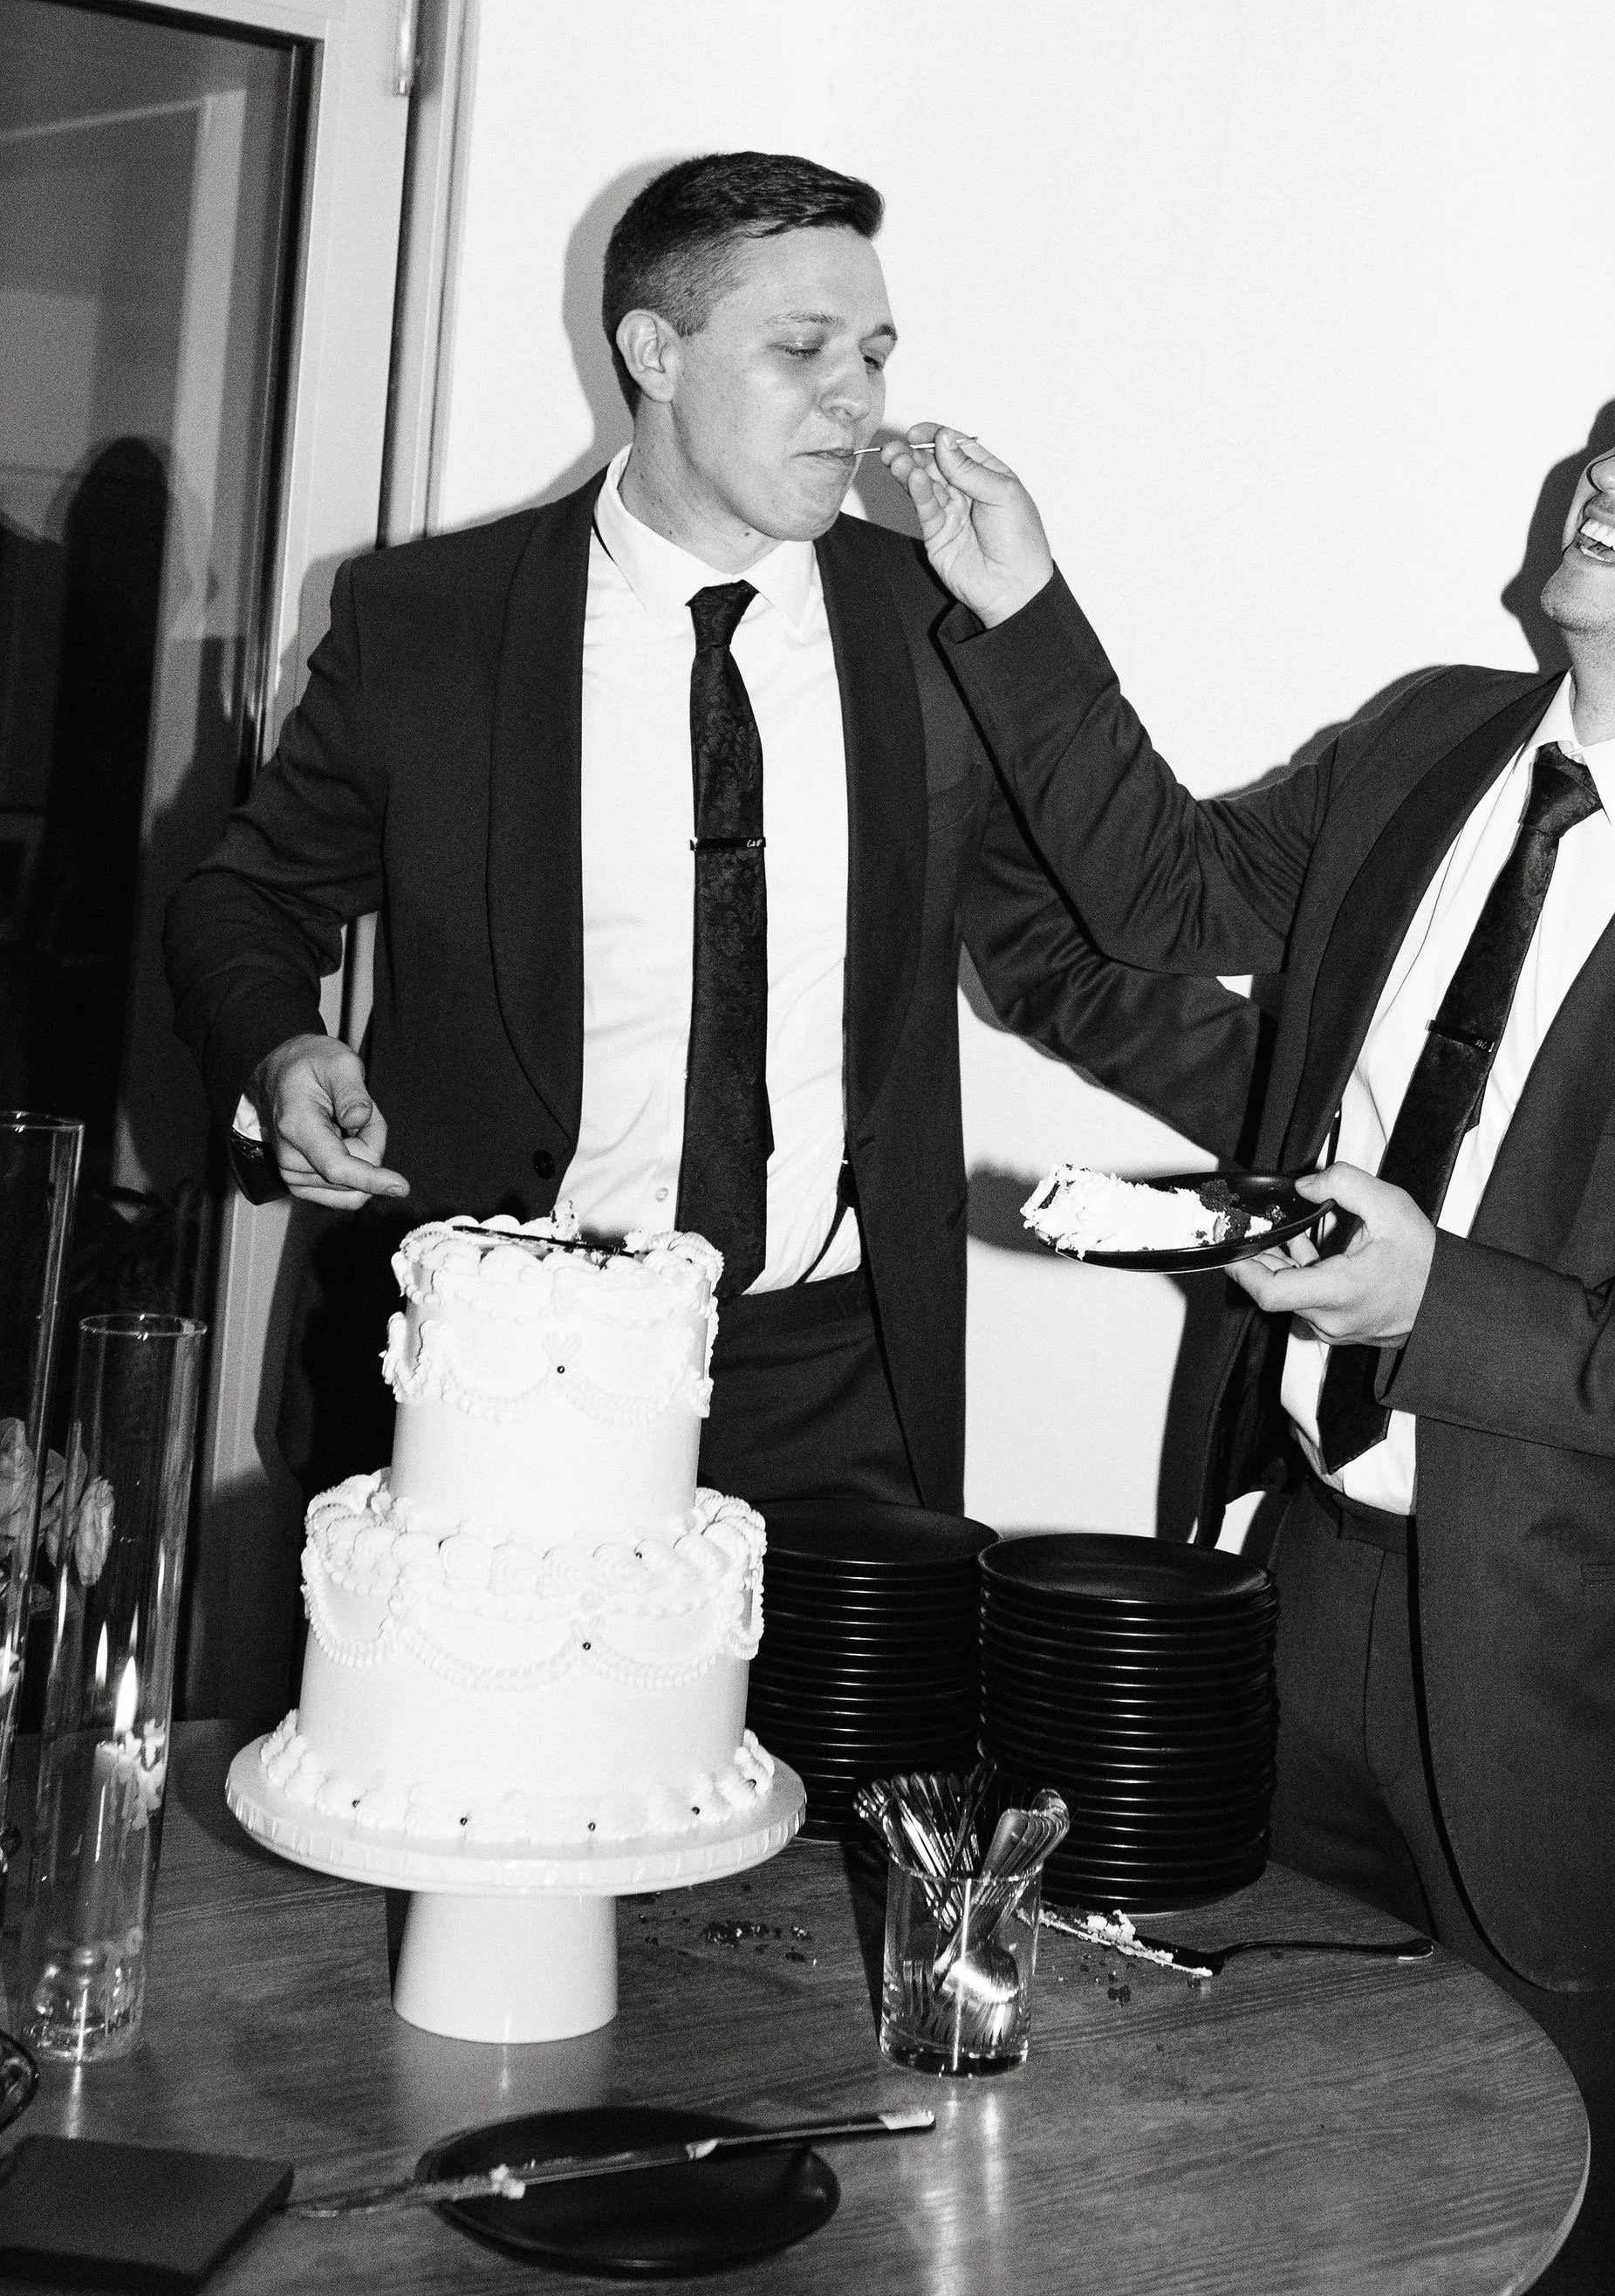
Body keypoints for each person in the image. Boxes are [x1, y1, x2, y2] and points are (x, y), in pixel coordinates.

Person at [882, 365, 1615, 2296]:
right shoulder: (1424, 746)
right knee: (1299, 2191)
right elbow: (1159, 893)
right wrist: (1017, 604)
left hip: (1600, 1724)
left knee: (1609, 2265)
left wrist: (1436, 1307)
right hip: (1295, 1600)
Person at [165, 153, 1255, 1514]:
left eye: (871, 351)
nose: (853, 396)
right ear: (654, 351)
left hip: (836, 1371)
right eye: (800, 349)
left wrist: (1345, 1119)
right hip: (500, 1349)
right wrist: (277, 1044)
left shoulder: (934, 627)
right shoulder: (429, 622)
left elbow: (1064, 961)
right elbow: (249, 897)